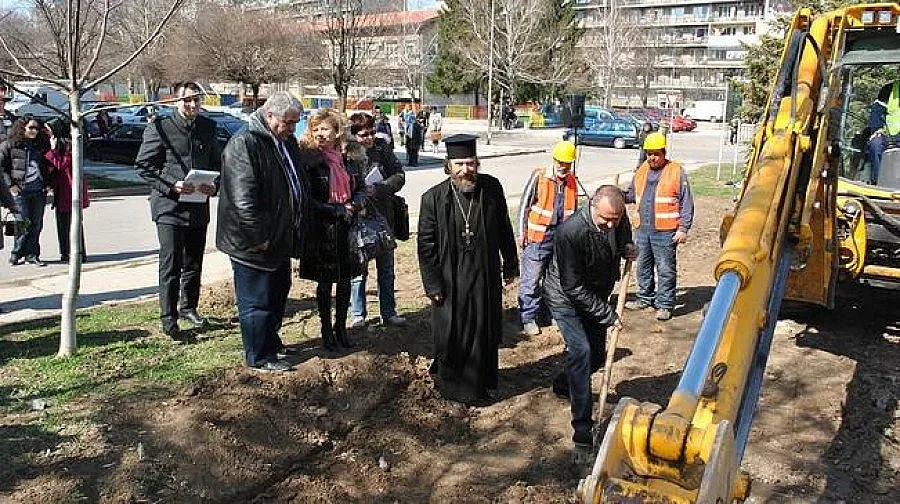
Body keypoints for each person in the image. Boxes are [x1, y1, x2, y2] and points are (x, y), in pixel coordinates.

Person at [417, 134, 519, 403]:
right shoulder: (433, 198)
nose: (466, 170)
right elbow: (426, 246)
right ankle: (452, 387)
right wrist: (433, 285)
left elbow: (504, 228)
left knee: (484, 328)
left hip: (484, 274)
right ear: (448, 165)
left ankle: (484, 384)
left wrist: (510, 263)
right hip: (450, 279)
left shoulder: (491, 188)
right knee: (452, 331)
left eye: (471, 163)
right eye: (459, 164)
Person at [217, 91, 309, 373]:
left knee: (277, 293)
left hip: (279, 237)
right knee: (257, 300)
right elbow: (243, 199)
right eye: (288, 122)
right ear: (269, 116)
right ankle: (258, 355)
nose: (292, 128)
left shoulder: (285, 141)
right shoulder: (244, 144)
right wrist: (259, 239)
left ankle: (271, 342)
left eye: (295, 122)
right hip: (254, 243)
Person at [544, 185, 636, 451]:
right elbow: (572, 286)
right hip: (565, 297)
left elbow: (623, 231)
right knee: (582, 352)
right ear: (592, 207)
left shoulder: (616, 216)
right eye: (605, 219)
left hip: (595, 293)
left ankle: (565, 383)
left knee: (595, 356)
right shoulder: (569, 233)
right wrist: (608, 314)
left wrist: (627, 246)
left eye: (615, 220)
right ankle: (582, 429)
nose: (610, 224)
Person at [134, 81, 222, 339]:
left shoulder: (208, 127)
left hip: (198, 206)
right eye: (187, 100)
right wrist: (172, 185)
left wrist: (212, 186)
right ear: (176, 100)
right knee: (171, 262)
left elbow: (217, 163)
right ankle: (168, 317)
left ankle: (189, 307)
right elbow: (143, 166)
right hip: (169, 207)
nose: (193, 105)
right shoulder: (160, 127)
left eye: (197, 100)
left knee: (194, 261)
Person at [297, 109, 367, 351]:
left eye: (324, 128)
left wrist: (355, 203)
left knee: (346, 280)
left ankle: (341, 327)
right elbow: (305, 198)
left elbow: (362, 186)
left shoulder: (350, 157)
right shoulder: (309, 160)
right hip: (322, 229)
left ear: (337, 132)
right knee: (325, 283)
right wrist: (335, 210)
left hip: (347, 226)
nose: (320, 134)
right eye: (315, 129)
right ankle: (326, 328)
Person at [623, 132, 694, 321]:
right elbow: (631, 194)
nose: (652, 157)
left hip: (665, 231)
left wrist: (683, 228)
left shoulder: (676, 171)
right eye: (649, 154)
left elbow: (686, 202)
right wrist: (617, 195)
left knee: (665, 269)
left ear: (663, 153)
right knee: (643, 266)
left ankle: (665, 304)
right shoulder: (642, 170)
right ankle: (645, 297)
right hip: (642, 228)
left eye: (656, 154)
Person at [347, 112, 407, 329]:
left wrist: (380, 188)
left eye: (372, 132)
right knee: (358, 273)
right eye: (364, 134)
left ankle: (388, 313)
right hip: (358, 222)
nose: (369, 137)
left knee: (386, 270)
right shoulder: (347, 154)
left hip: (384, 219)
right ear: (353, 135)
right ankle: (358, 315)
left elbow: (399, 176)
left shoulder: (383, 150)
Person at [516, 140, 580, 336]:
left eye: (567, 163)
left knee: (554, 279)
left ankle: (546, 313)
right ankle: (528, 317)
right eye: (560, 162)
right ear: (554, 160)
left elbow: (574, 211)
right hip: (538, 237)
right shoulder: (540, 177)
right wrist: (521, 233)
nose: (563, 166)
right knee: (532, 279)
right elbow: (524, 205)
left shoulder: (572, 182)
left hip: (560, 240)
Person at [1, 116, 50, 266]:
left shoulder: (40, 145)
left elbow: (48, 165)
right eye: (31, 128)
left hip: (38, 191)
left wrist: (47, 183)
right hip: (20, 192)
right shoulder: (10, 145)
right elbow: (2, 167)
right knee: (22, 224)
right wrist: (10, 185)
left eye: (36, 128)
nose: (34, 131)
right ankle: (16, 253)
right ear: (22, 128)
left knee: (36, 224)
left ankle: (32, 254)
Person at [44, 118, 89, 263]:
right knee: (62, 222)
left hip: (70, 187)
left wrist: (51, 150)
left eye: (49, 129)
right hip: (61, 188)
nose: (47, 132)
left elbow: (61, 164)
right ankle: (65, 252)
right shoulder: (58, 144)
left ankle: (78, 252)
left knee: (73, 221)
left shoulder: (69, 145)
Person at [866, 81, 900, 185]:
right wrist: (876, 129)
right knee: (875, 144)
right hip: (889, 135)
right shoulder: (889, 89)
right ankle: (876, 182)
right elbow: (876, 111)